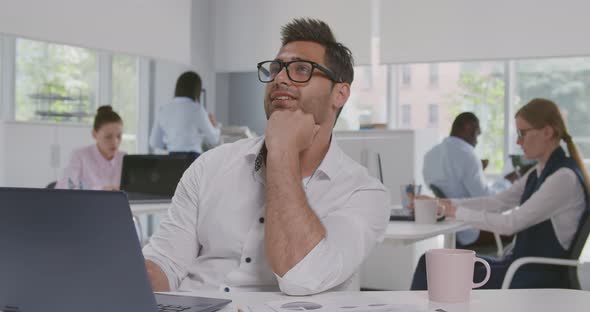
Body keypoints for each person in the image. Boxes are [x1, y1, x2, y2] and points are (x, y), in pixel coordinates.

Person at [142, 18, 390, 295]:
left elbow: (302, 277)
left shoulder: (364, 193)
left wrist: (283, 152)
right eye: (275, 69)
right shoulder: (210, 166)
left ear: (340, 93)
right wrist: (127, 273)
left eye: (301, 69)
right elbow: (165, 261)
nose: (280, 79)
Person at [412, 98, 589, 289]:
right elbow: (496, 202)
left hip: (531, 277)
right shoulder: (539, 171)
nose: (518, 141)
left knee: (431, 266)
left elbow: (511, 224)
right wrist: (443, 202)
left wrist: (454, 212)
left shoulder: (563, 178)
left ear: (547, 132)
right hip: (517, 267)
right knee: (431, 262)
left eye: (522, 133)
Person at [423, 112, 517, 247]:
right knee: (520, 229)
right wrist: (508, 182)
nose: (477, 141)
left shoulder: (430, 154)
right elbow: (488, 200)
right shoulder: (467, 155)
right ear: (468, 129)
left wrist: (477, 170)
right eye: (477, 133)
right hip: (471, 230)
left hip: (451, 228)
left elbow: (450, 185)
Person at [149, 71, 220, 159]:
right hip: (192, 160)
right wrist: (215, 126)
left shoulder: (163, 109)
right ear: (196, 89)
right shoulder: (197, 109)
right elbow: (214, 139)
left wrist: (174, 145)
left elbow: (154, 142)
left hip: (171, 161)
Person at [56, 105, 125, 190]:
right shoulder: (80, 156)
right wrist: (101, 190)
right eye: (108, 137)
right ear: (94, 134)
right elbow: (63, 188)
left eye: (119, 136)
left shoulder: (124, 158)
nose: (115, 142)